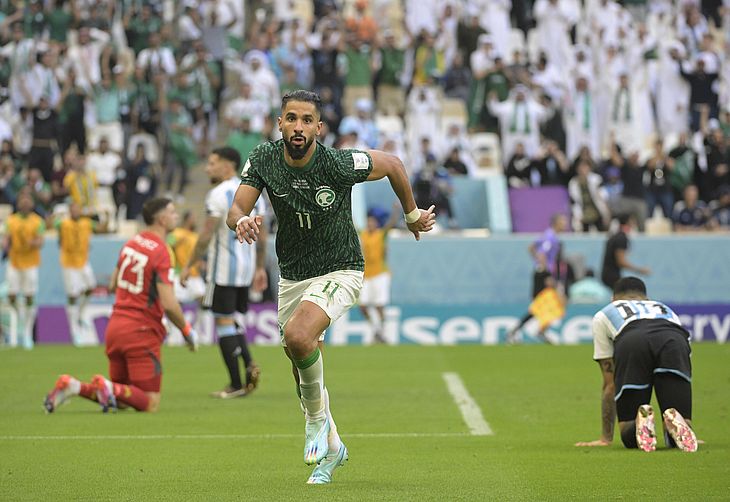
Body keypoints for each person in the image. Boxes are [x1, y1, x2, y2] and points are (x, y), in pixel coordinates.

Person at [226, 90, 435, 484]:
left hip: (341, 267)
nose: (299, 127)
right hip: (293, 273)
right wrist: (240, 220)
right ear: (280, 123)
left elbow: (392, 163)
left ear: (319, 128)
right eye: (292, 118)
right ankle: (334, 448)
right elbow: (237, 207)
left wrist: (410, 215)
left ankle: (316, 423)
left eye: (307, 120)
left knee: (298, 335)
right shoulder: (264, 158)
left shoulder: (338, 163)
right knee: (298, 354)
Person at [44, 198, 199, 414]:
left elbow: (112, 284)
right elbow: (169, 303)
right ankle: (106, 386)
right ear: (162, 219)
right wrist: (186, 329)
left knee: (124, 397)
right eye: (172, 212)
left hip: (116, 327)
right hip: (141, 331)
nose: (176, 216)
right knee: (149, 402)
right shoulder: (162, 251)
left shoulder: (131, 242)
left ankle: (73, 386)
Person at [181, 147, 266, 399]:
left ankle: (235, 383)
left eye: (212, 163)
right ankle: (249, 363)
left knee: (223, 322)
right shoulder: (255, 194)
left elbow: (206, 236)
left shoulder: (217, 194)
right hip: (246, 269)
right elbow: (262, 238)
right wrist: (260, 267)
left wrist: (189, 265)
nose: (208, 168)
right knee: (232, 320)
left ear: (228, 166)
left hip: (223, 270)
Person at [575, 277, 698, 452]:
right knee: (677, 416)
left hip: (632, 340)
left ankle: (640, 424)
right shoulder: (664, 308)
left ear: (613, 299)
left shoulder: (606, 312)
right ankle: (681, 427)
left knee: (629, 435)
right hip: (674, 339)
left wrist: (605, 438)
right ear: (647, 299)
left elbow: (610, 384)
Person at [507, 214, 568, 344]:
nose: (565, 224)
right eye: (563, 221)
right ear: (556, 223)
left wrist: (538, 264)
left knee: (540, 306)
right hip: (543, 275)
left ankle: (525, 331)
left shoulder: (547, 235)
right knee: (552, 303)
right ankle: (522, 332)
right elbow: (541, 254)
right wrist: (545, 271)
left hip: (540, 273)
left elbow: (531, 247)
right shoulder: (551, 238)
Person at [55, 202, 108, 345]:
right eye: (72, 209)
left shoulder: (87, 223)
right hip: (69, 263)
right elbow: (55, 230)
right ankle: (75, 330)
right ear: (69, 211)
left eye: (77, 209)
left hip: (83, 262)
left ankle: (80, 313)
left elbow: (102, 229)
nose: (75, 211)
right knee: (72, 295)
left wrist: (106, 217)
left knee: (91, 287)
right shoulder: (63, 224)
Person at [2, 192, 45, 349]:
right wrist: (5, 244)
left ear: (32, 203)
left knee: (29, 296)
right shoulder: (11, 220)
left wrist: (34, 242)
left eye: (28, 199)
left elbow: (41, 241)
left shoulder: (37, 221)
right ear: (18, 203)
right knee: (11, 295)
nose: (25, 203)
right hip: (14, 262)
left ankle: (26, 332)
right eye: (22, 200)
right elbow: (6, 239)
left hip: (31, 263)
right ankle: (19, 320)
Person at [359, 206, 399, 344]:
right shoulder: (363, 234)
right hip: (366, 275)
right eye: (368, 222)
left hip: (380, 274)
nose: (370, 224)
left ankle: (380, 331)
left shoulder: (381, 235)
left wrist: (396, 211)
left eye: (373, 222)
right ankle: (377, 330)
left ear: (376, 223)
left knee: (379, 305)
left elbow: (391, 224)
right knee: (363, 306)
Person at [600, 214, 651, 290]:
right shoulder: (621, 238)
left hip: (608, 273)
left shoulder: (615, 236)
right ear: (628, 222)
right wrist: (640, 270)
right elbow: (621, 261)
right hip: (612, 275)